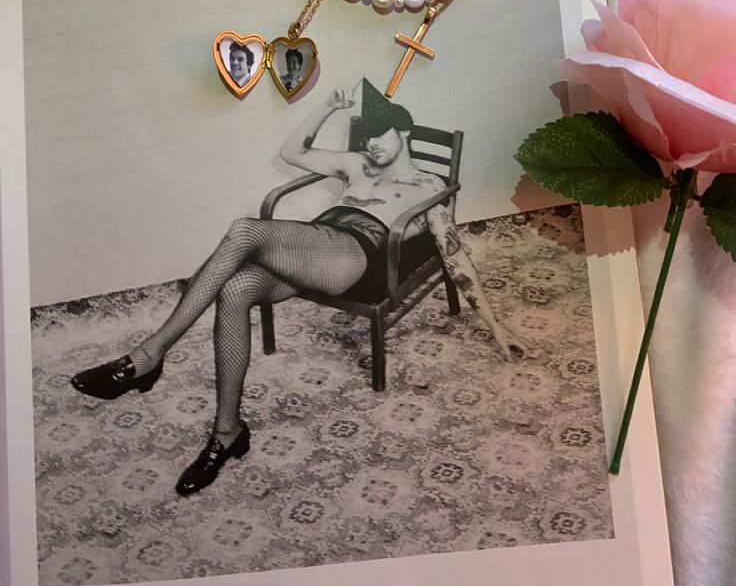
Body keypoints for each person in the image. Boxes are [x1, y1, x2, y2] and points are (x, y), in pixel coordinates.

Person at [71, 79, 522, 496]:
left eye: (380, 135)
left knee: (245, 231)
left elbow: (455, 256)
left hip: (358, 258)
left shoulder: (429, 184)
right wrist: (326, 106)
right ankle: (227, 433)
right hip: (317, 247)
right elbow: (293, 152)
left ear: (403, 132)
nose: (371, 145)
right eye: (366, 136)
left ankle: (149, 356)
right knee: (237, 289)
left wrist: (497, 328)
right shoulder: (354, 163)